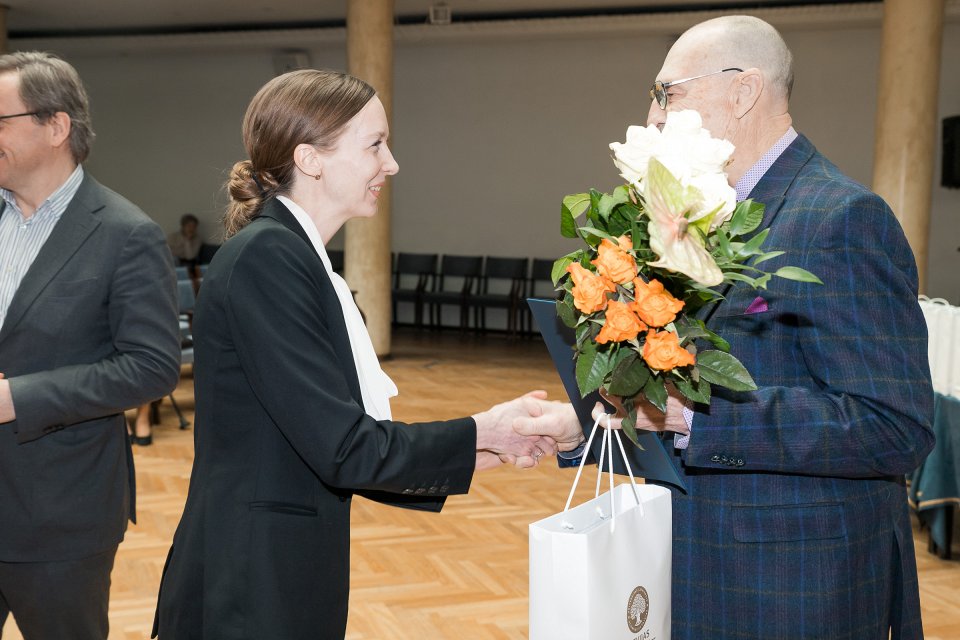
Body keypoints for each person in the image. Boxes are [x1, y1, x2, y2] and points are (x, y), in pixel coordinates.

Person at [516, 15, 936, 640]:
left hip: (799, 587)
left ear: (742, 92)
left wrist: (696, 416)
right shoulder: (706, 215)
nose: (653, 116)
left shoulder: (840, 218)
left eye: (668, 92)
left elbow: (893, 426)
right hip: (708, 570)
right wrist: (591, 420)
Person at [152, 69, 574, 640]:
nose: (392, 163)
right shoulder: (267, 260)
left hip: (278, 566)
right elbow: (344, 448)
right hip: (251, 583)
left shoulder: (295, 255)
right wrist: (478, 430)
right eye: (375, 144)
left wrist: (478, 445)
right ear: (310, 159)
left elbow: (324, 440)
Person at [0, 52, 181, 639]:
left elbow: (152, 368)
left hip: (58, 517)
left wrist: (19, 398)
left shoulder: (126, 234)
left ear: (56, 128)